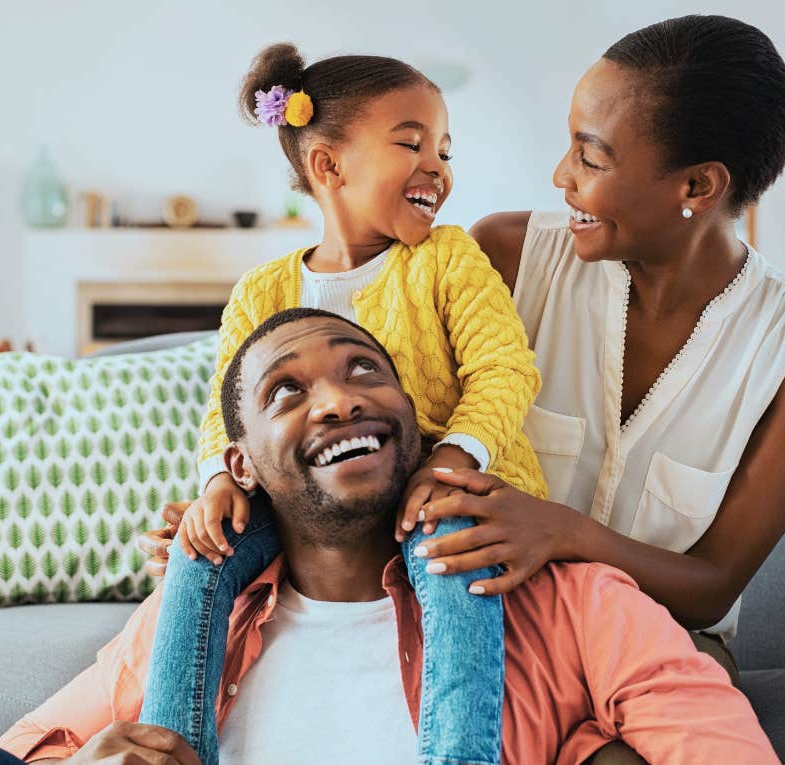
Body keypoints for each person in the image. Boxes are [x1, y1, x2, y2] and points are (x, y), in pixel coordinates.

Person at [0, 308, 774, 765]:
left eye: (364, 371)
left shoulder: (572, 600)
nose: (336, 401)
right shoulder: (193, 617)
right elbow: (23, 745)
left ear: (419, 430)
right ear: (239, 463)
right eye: (288, 390)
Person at [141, 43, 548, 765]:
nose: (439, 168)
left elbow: (503, 367)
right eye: (411, 143)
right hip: (313, 505)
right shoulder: (261, 290)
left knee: (452, 550)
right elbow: (225, 408)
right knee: (199, 556)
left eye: (446, 150)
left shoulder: (448, 258)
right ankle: (169, 746)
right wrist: (216, 483)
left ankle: (459, 754)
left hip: (437, 485)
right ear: (329, 166)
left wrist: (453, 457)